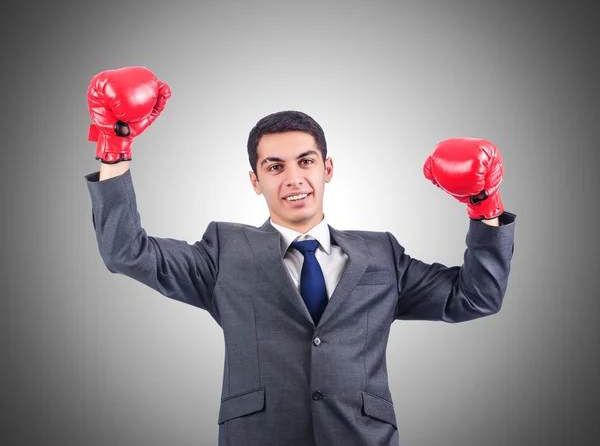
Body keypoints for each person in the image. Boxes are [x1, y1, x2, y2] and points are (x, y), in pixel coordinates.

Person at [84, 66, 516, 446]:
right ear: (255, 180)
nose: (293, 178)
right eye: (275, 167)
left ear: (327, 169)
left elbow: (475, 297)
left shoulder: (382, 253)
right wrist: (114, 145)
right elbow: (127, 251)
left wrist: (485, 206)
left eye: (305, 161)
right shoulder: (223, 251)